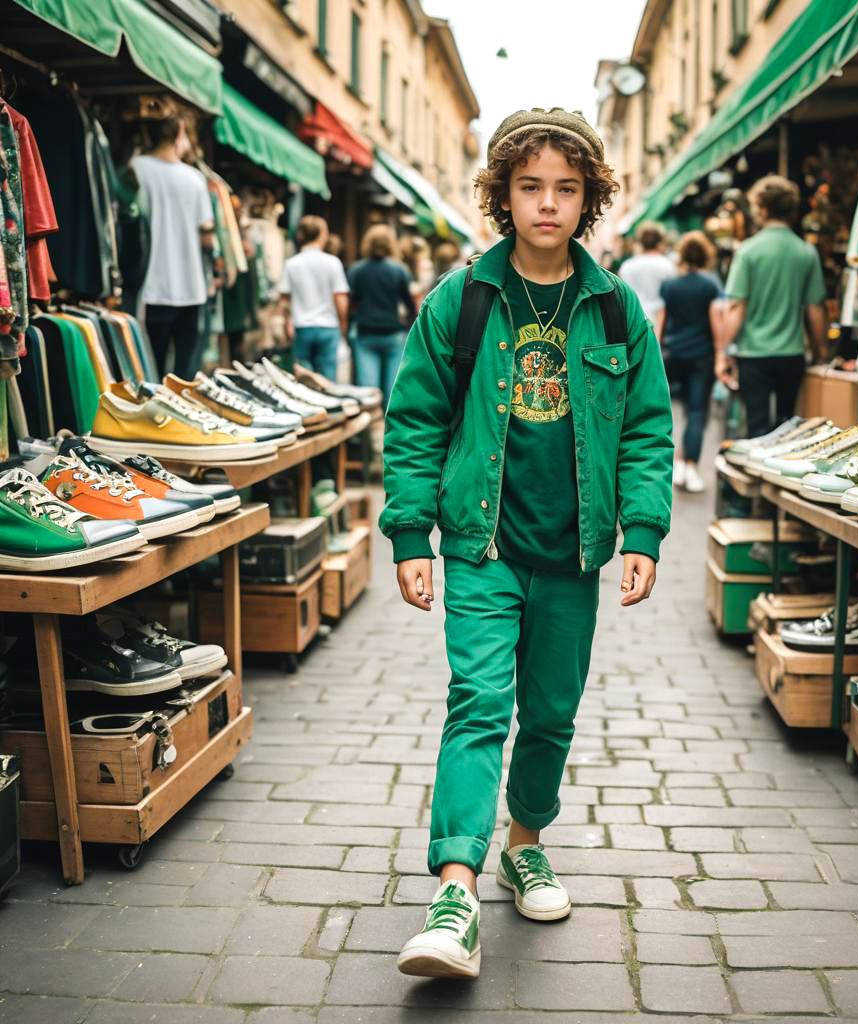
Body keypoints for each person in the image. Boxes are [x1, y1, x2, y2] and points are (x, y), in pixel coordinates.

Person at [380, 107, 673, 980]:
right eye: (530, 186)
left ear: (588, 200)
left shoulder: (617, 309)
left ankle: (524, 842)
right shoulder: (460, 301)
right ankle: (455, 889)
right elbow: (415, 421)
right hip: (481, 546)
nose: (547, 203)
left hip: (575, 554)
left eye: (566, 188)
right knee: (478, 701)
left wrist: (645, 529)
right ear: (503, 194)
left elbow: (648, 430)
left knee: (549, 713)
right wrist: (408, 534)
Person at [717, 175, 828, 439]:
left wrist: (722, 352)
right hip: (792, 354)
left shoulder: (748, 252)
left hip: (753, 355)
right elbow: (815, 309)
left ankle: (757, 481)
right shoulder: (805, 252)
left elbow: (736, 308)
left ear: (763, 209)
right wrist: (822, 351)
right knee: (788, 428)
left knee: (756, 429)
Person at [131, 117, 215, 379]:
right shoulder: (195, 178)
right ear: (179, 137)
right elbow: (207, 233)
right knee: (185, 373)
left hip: (151, 286)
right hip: (191, 287)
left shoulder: (136, 168)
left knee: (151, 368)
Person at [657, 231, 724, 492]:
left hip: (673, 354)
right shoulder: (710, 286)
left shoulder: (670, 285)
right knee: (696, 412)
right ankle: (690, 467)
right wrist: (720, 354)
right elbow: (715, 322)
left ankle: (669, 466)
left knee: (665, 410)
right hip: (701, 357)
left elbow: (660, 322)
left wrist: (655, 351)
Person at [347, 224, 416, 405]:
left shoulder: (357, 270)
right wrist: (409, 326)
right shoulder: (400, 270)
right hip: (393, 334)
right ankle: (387, 430)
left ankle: (369, 430)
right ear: (391, 244)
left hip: (366, 333)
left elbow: (351, 303)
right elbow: (410, 305)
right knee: (392, 390)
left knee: (369, 393)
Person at [277, 215, 349, 382]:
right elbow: (340, 299)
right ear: (322, 234)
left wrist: (286, 324)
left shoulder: (292, 263)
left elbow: (284, 300)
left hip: (302, 327)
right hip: (328, 327)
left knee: (303, 378)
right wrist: (343, 325)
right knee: (327, 380)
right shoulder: (333, 263)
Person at [617, 220, 676, 324]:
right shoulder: (667, 266)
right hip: (660, 321)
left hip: (632, 320)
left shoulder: (627, 266)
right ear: (660, 243)